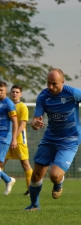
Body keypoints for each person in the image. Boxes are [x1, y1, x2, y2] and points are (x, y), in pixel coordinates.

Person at [25, 68, 81, 211]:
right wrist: (35, 124)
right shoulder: (43, 97)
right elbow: (34, 122)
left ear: (63, 82)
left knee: (54, 175)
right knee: (36, 175)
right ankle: (34, 205)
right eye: (48, 83)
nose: (50, 87)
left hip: (70, 140)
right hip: (49, 139)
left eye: (54, 84)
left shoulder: (73, 93)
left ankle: (59, 182)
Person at [0, 85, 33, 196]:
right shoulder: (2, 104)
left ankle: (30, 189)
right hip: (5, 139)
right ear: (10, 93)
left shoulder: (22, 107)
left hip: (19, 140)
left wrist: (14, 138)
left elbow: (22, 124)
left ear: (21, 94)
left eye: (17, 92)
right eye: (13, 92)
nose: (15, 94)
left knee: (25, 164)